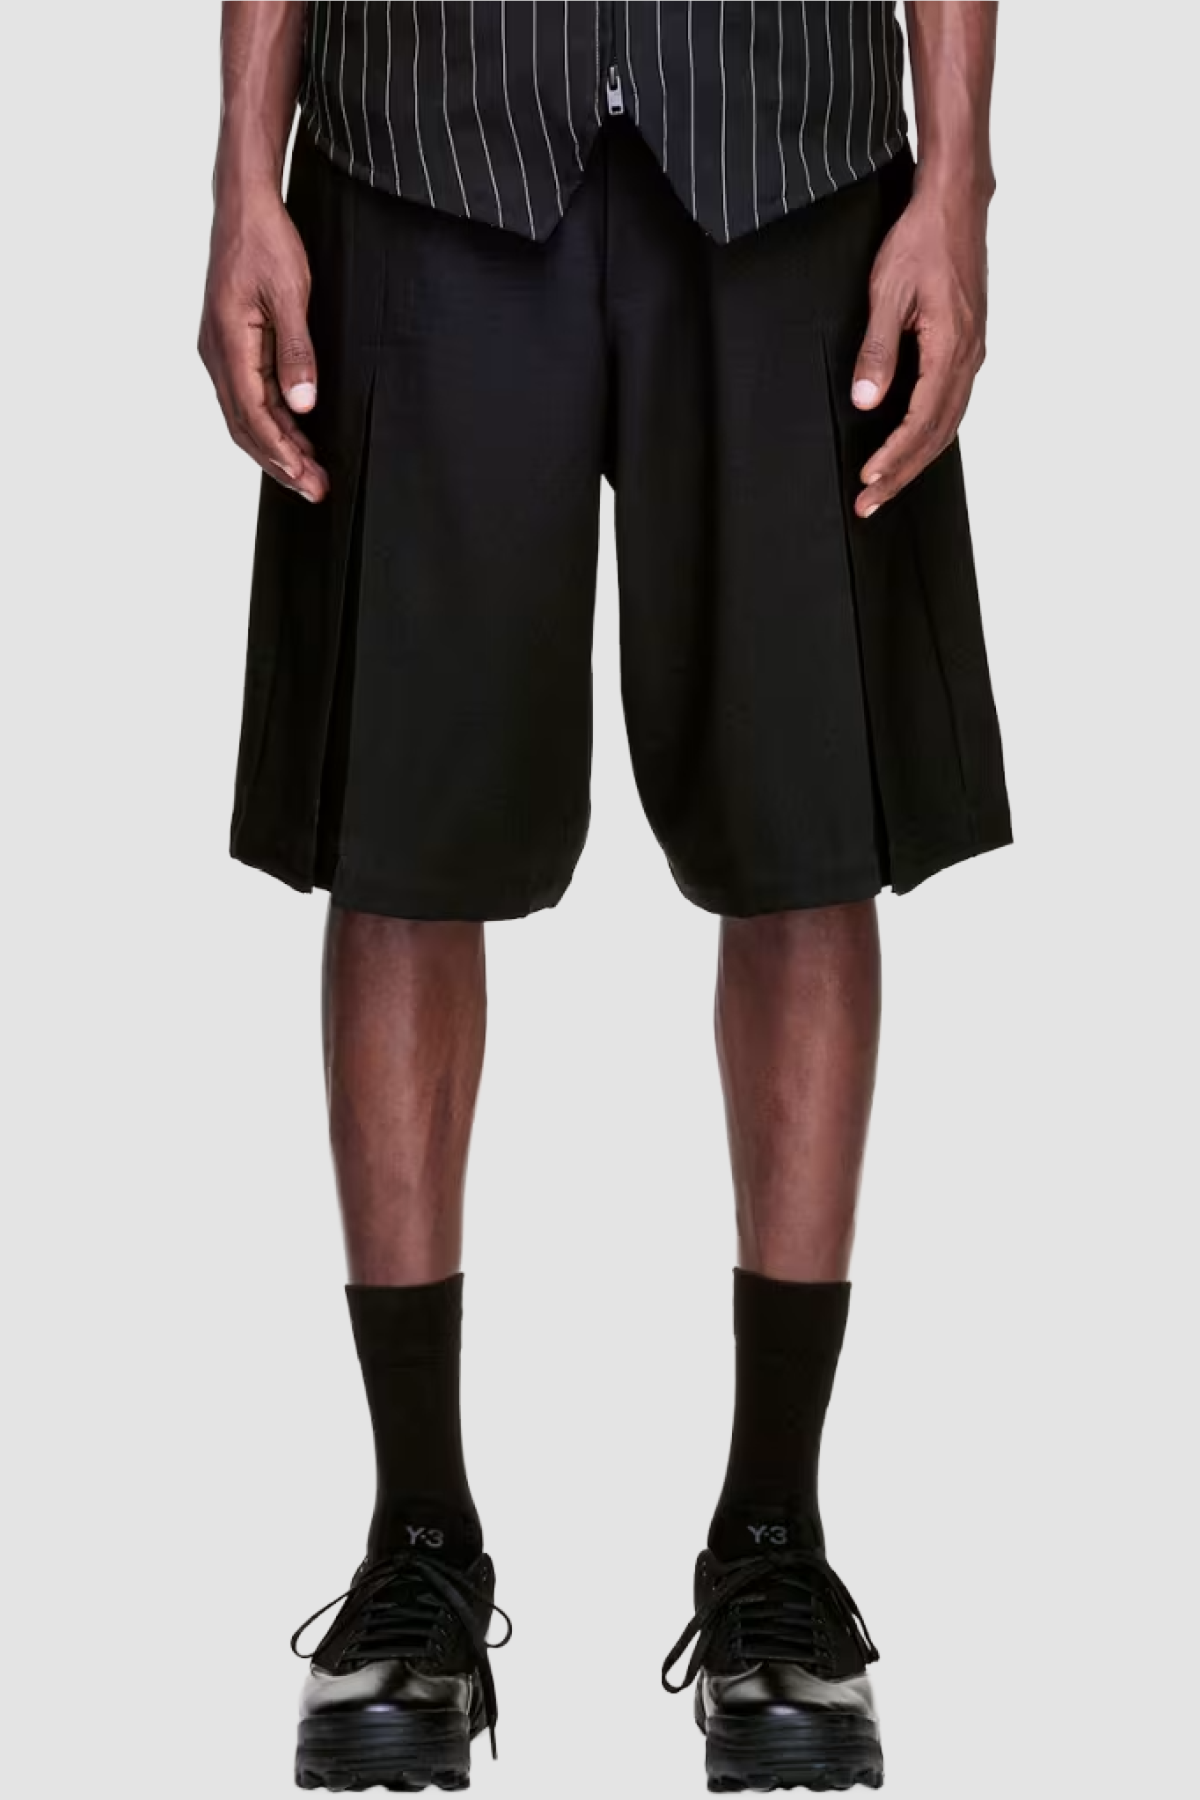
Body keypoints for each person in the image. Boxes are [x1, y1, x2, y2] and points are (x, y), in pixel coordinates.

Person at [199, 3, 1009, 1790]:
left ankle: (775, 1543)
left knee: (806, 827)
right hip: (425, 126)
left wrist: (956, 176)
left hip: (789, 135)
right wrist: (242, 174)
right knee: (402, 830)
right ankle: (418, 1543)